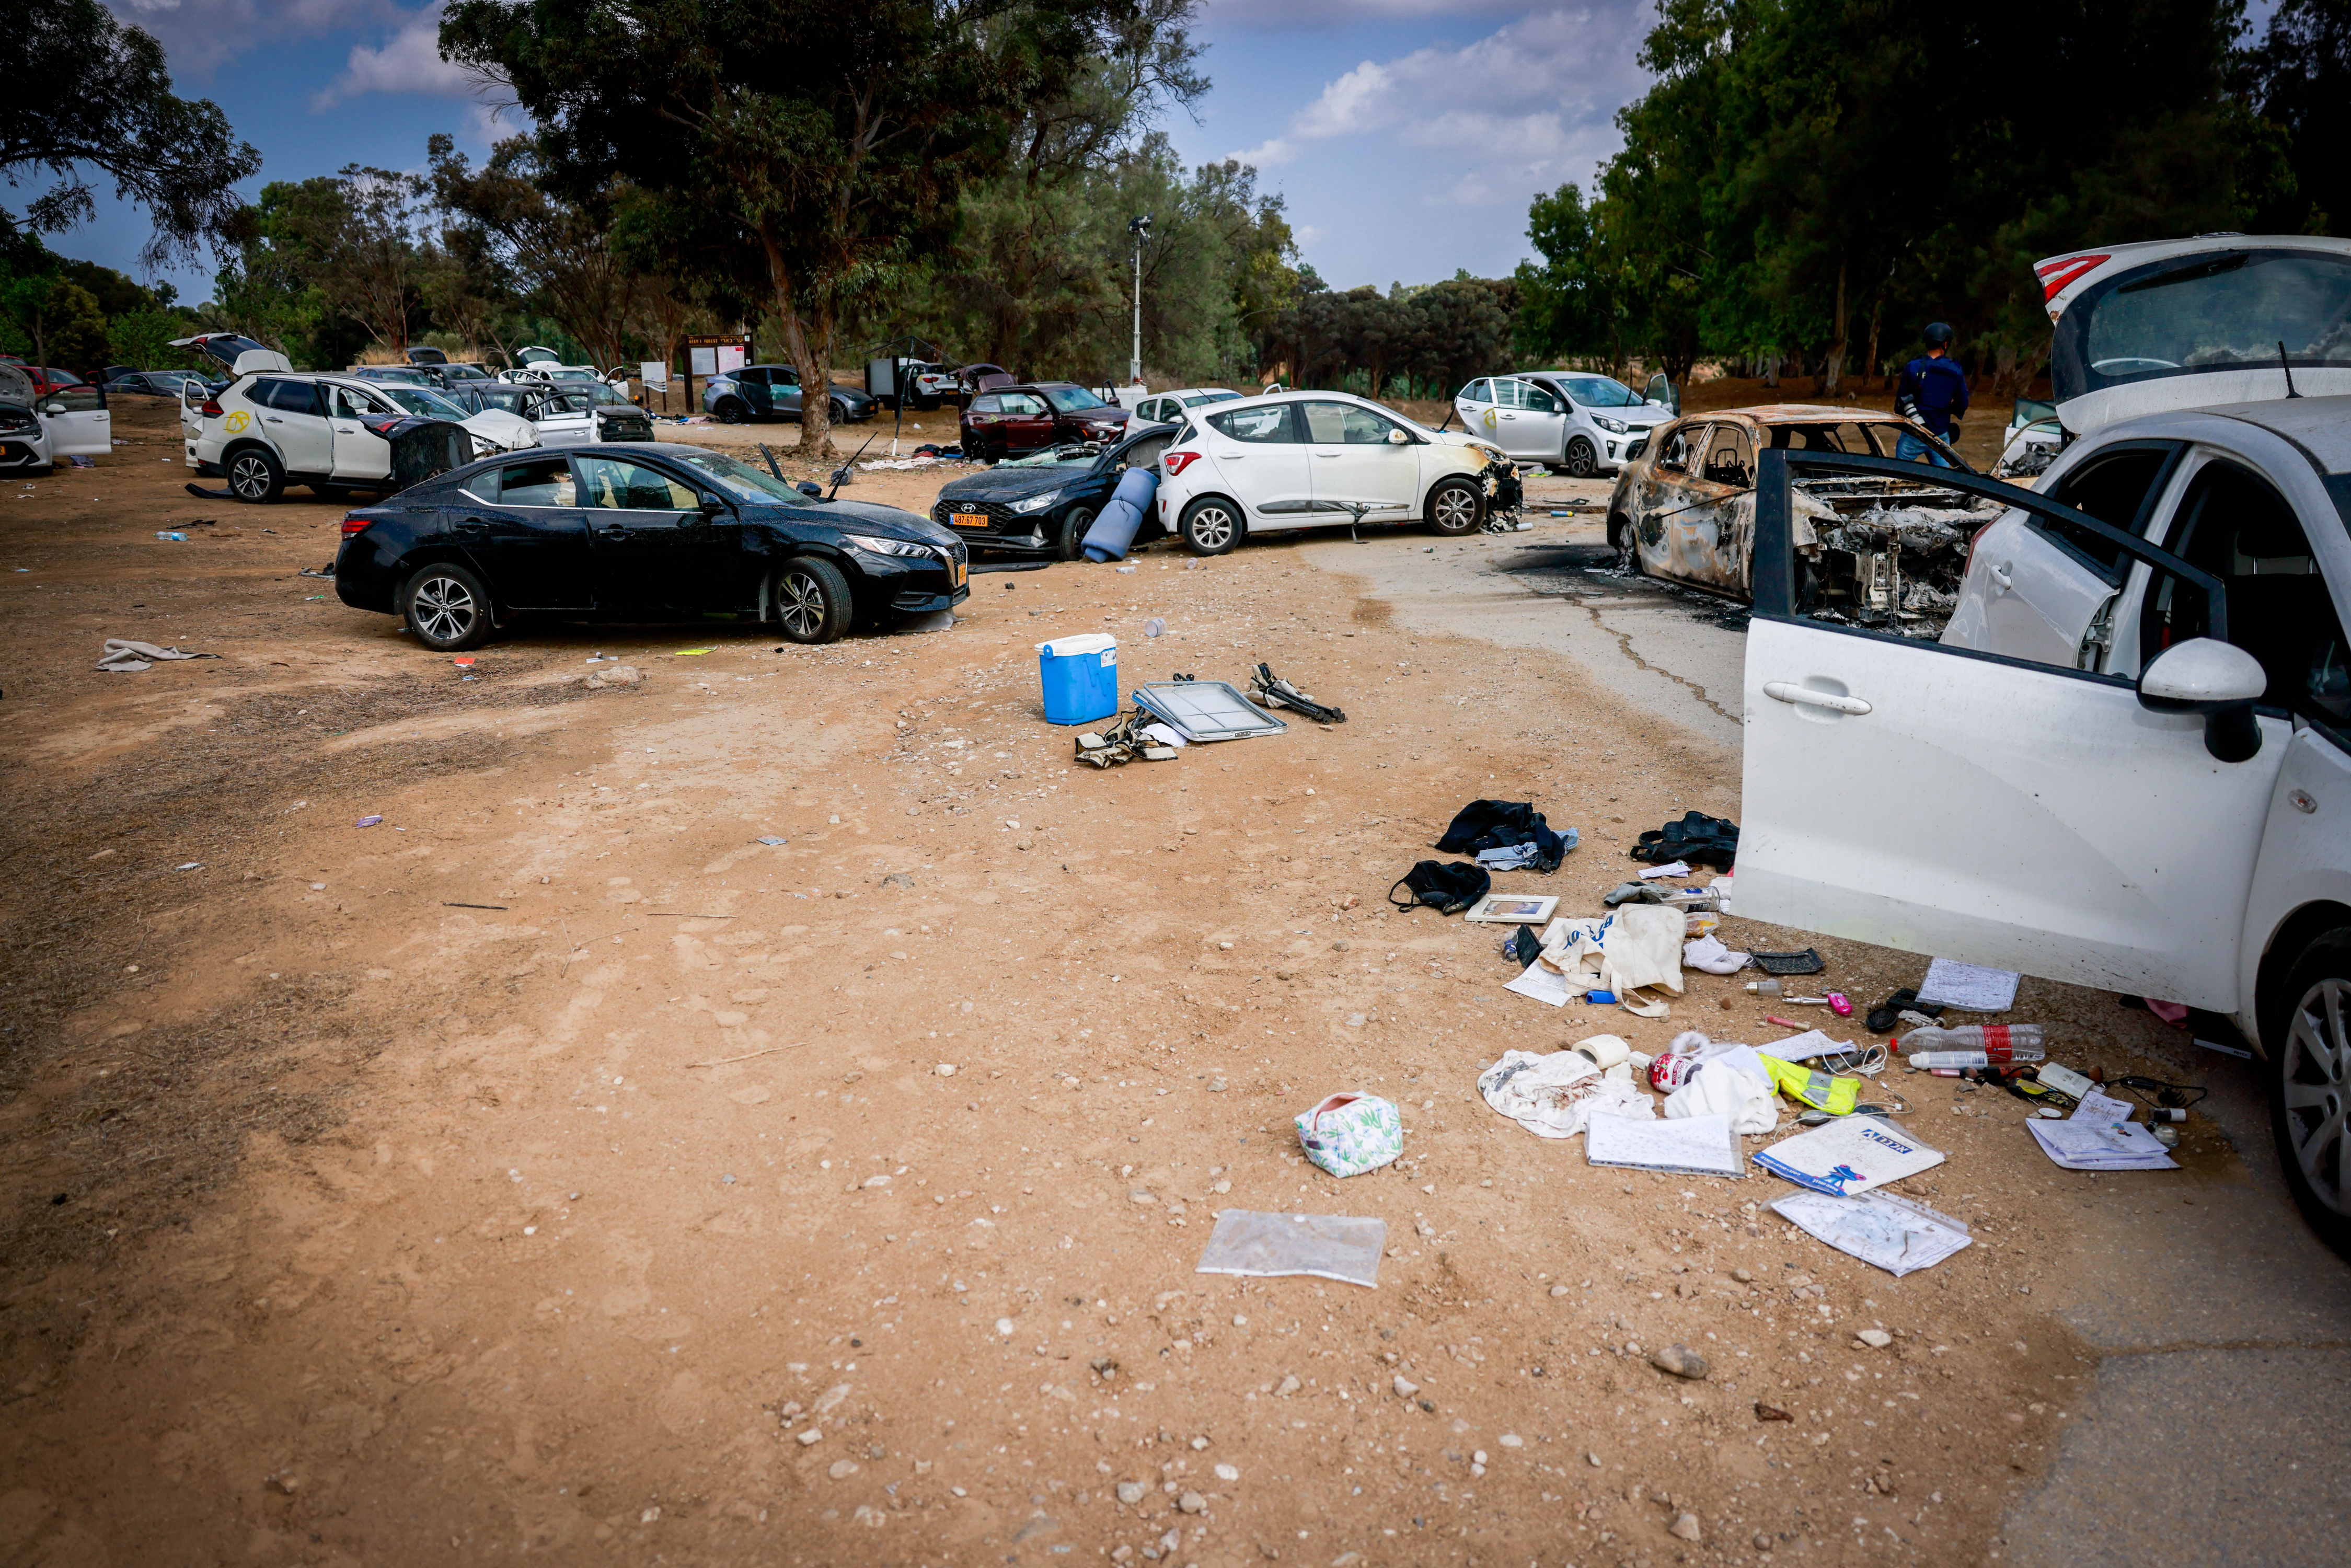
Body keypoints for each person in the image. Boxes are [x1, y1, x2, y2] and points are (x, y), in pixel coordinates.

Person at [1894, 322, 1968, 466]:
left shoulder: (1912, 366)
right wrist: (1947, 407)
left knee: (1899, 475)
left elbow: (1899, 405)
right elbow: (1963, 404)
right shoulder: (1956, 370)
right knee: (1944, 480)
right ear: (1946, 344)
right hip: (1940, 435)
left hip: (1914, 433)